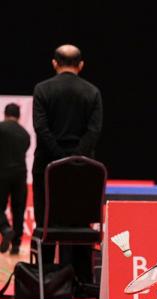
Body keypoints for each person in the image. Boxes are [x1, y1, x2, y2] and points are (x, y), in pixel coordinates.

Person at [32, 44, 103, 286]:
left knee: (46, 222)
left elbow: (41, 129)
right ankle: (82, 281)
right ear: (81, 65)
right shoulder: (92, 92)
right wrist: (75, 159)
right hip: (84, 171)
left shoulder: (42, 89)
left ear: (54, 63)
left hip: (47, 168)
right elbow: (94, 132)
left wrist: (60, 158)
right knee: (80, 221)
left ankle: (45, 280)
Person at [0, 103, 30, 254]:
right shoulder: (25, 134)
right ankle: (16, 245)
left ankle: (5, 228)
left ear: (5, 114)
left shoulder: (1, 128)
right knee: (18, 209)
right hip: (20, 175)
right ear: (18, 116)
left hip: (1, 173)